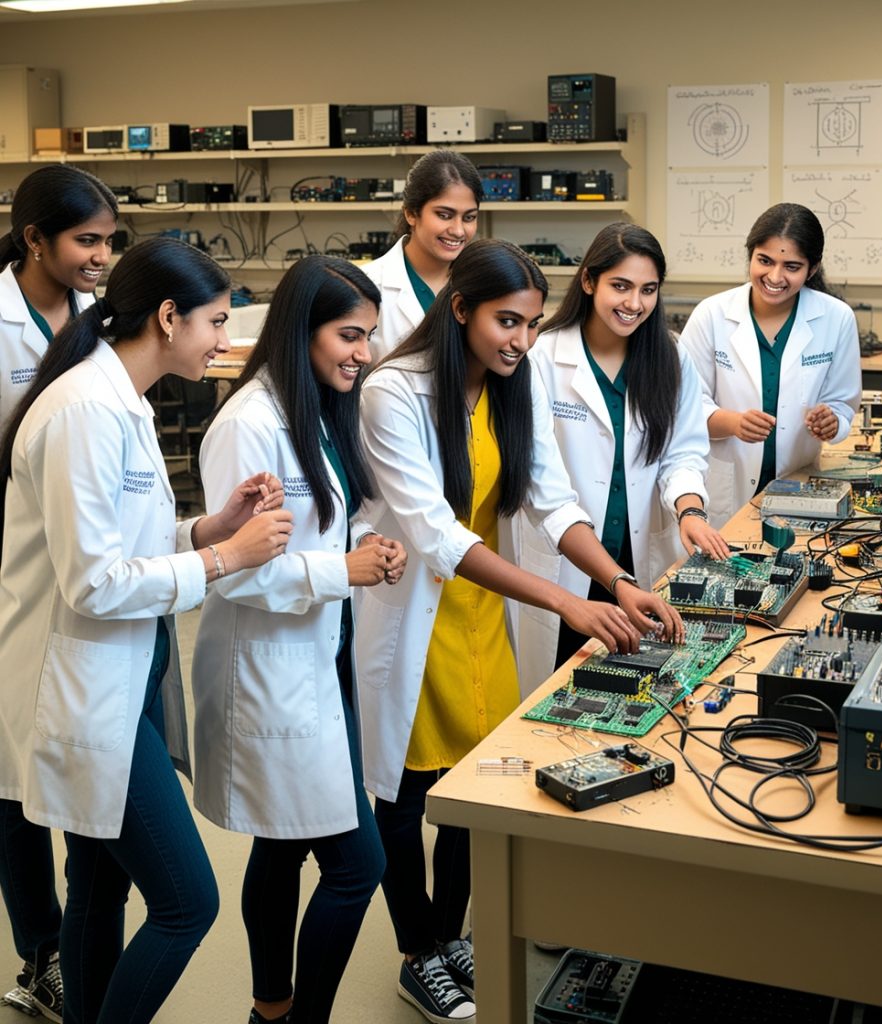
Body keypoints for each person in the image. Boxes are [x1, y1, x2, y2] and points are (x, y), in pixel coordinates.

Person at [357, 237, 682, 1024]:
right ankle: (417, 954)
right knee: (404, 797)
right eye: (508, 322)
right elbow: (434, 534)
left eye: (533, 325)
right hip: (410, 614)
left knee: (480, 786)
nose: (522, 340)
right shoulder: (393, 391)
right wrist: (565, 605)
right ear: (460, 309)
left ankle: (449, 932)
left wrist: (616, 582)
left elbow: (552, 496)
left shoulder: (513, 380)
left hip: (480, 613)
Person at [0, 236, 294, 1024]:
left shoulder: (121, 399)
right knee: (187, 902)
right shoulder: (85, 412)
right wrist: (228, 559)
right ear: (168, 317)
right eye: (214, 322)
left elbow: (125, 543)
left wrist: (205, 529)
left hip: (124, 677)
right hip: (84, 687)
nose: (224, 342)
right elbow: (94, 583)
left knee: (100, 882)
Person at [190, 256, 407, 1024]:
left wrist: (368, 549)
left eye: (369, 337)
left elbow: (330, 518)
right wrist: (339, 569)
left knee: (281, 847)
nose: (363, 353)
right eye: (349, 335)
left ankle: (270, 1011)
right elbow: (233, 571)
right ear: (302, 329)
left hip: (317, 658)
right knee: (358, 865)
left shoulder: (314, 405)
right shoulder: (249, 421)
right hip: (267, 669)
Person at [0, 163, 119, 1021]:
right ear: (33, 239)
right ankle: (40, 952)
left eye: (110, 241)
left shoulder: (94, 320)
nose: (102, 256)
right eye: (86, 240)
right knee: (10, 772)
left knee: (67, 755)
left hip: (70, 559)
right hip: (9, 559)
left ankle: (78, 935)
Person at [517, 223, 730, 690]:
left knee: (632, 688)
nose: (634, 303)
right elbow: (540, 480)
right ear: (589, 281)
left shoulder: (669, 357)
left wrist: (689, 510)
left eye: (648, 290)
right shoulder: (543, 358)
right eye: (621, 286)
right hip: (563, 560)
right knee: (557, 688)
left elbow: (683, 451)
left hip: (639, 559)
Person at [680, 203, 862, 528]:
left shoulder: (836, 318)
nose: (775, 277)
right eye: (765, 261)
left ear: (813, 268)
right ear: (750, 255)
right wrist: (732, 422)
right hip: (724, 484)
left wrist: (832, 421)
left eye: (791, 266)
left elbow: (843, 403)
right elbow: (683, 408)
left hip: (800, 481)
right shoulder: (711, 315)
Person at [364, 149, 482, 361]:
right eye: (444, 215)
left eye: (469, 217)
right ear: (411, 213)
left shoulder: (482, 283)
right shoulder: (366, 285)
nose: (458, 230)